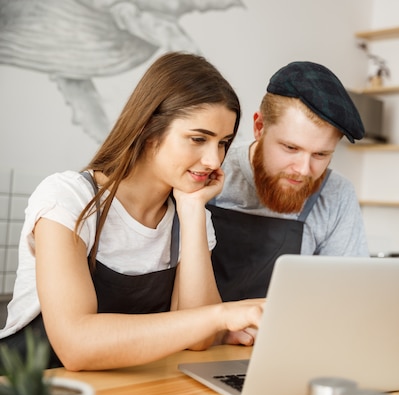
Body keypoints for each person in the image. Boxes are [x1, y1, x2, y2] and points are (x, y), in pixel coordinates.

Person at [0, 52, 263, 371]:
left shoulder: (190, 216)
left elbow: (198, 340)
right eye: (198, 139)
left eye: (222, 143)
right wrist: (222, 315)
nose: (213, 160)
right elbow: (76, 346)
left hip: (124, 389)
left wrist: (193, 209)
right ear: (148, 128)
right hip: (33, 390)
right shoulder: (67, 198)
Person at [207, 61, 369, 302]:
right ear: (259, 127)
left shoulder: (337, 194)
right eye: (290, 148)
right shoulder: (210, 171)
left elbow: (346, 297)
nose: (303, 170)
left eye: (320, 155)